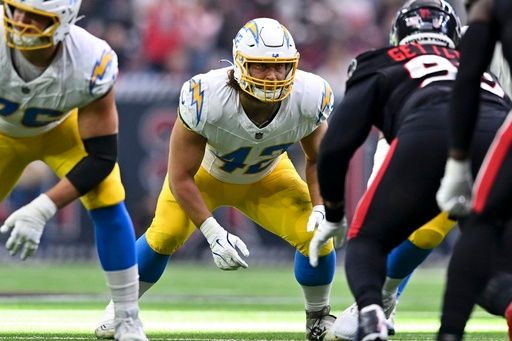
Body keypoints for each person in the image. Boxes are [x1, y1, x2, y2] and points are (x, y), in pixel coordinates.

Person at [95, 17, 337, 341]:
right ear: (240, 65)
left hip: (267, 176)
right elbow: (180, 175)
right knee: (164, 235)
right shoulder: (207, 95)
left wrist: (321, 208)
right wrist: (212, 233)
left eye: (281, 67)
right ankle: (121, 311)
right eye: (261, 66)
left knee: (317, 236)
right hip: (204, 176)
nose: (274, 76)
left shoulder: (308, 95)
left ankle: (318, 318)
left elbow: (319, 158)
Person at [307, 0, 511, 339]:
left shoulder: (379, 62)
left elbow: (335, 146)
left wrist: (333, 213)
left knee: (367, 240)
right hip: (498, 137)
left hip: (425, 132)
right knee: (484, 258)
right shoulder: (484, 71)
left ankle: (372, 311)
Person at [0, 1, 147, 340]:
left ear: (63, 21)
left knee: (108, 197)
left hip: (63, 130)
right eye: (15, 10)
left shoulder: (90, 59)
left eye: (35, 17)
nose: (20, 22)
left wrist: (43, 207)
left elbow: (101, 157)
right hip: (4, 134)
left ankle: (126, 316)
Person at [436, 0, 512, 339]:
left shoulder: (487, 11)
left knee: (481, 227)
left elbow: (466, 82)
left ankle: (450, 332)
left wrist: (457, 159)